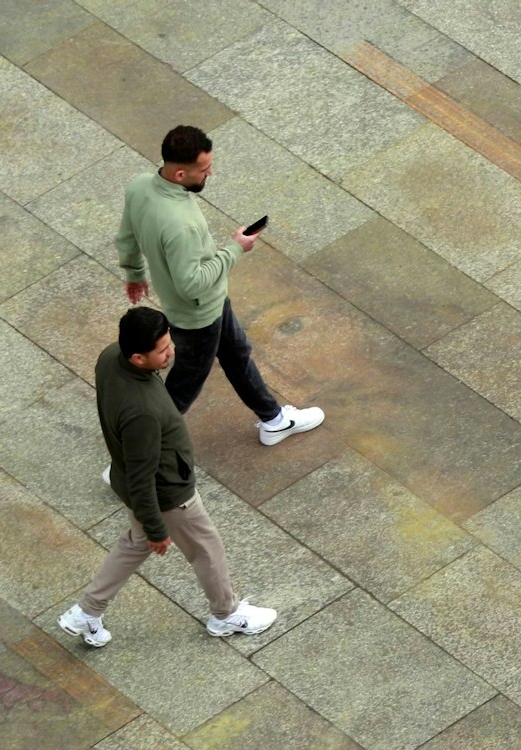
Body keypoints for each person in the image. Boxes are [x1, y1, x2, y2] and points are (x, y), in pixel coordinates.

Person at [58, 308, 276, 649]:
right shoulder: (142, 412)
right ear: (137, 357)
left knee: (135, 542)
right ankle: (226, 614)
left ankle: (87, 611)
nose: (170, 352)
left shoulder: (110, 358)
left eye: (168, 343)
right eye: (162, 350)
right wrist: (159, 531)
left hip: (129, 480)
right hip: (170, 494)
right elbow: (144, 477)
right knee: (206, 549)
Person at [118, 124, 323, 445]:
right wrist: (235, 249)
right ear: (181, 174)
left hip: (207, 306)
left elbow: (126, 235)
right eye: (204, 168)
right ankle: (135, 455)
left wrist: (133, 271)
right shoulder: (181, 223)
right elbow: (192, 284)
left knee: (237, 354)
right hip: (197, 316)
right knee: (182, 389)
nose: (210, 172)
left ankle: (274, 419)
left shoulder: (140, 187)